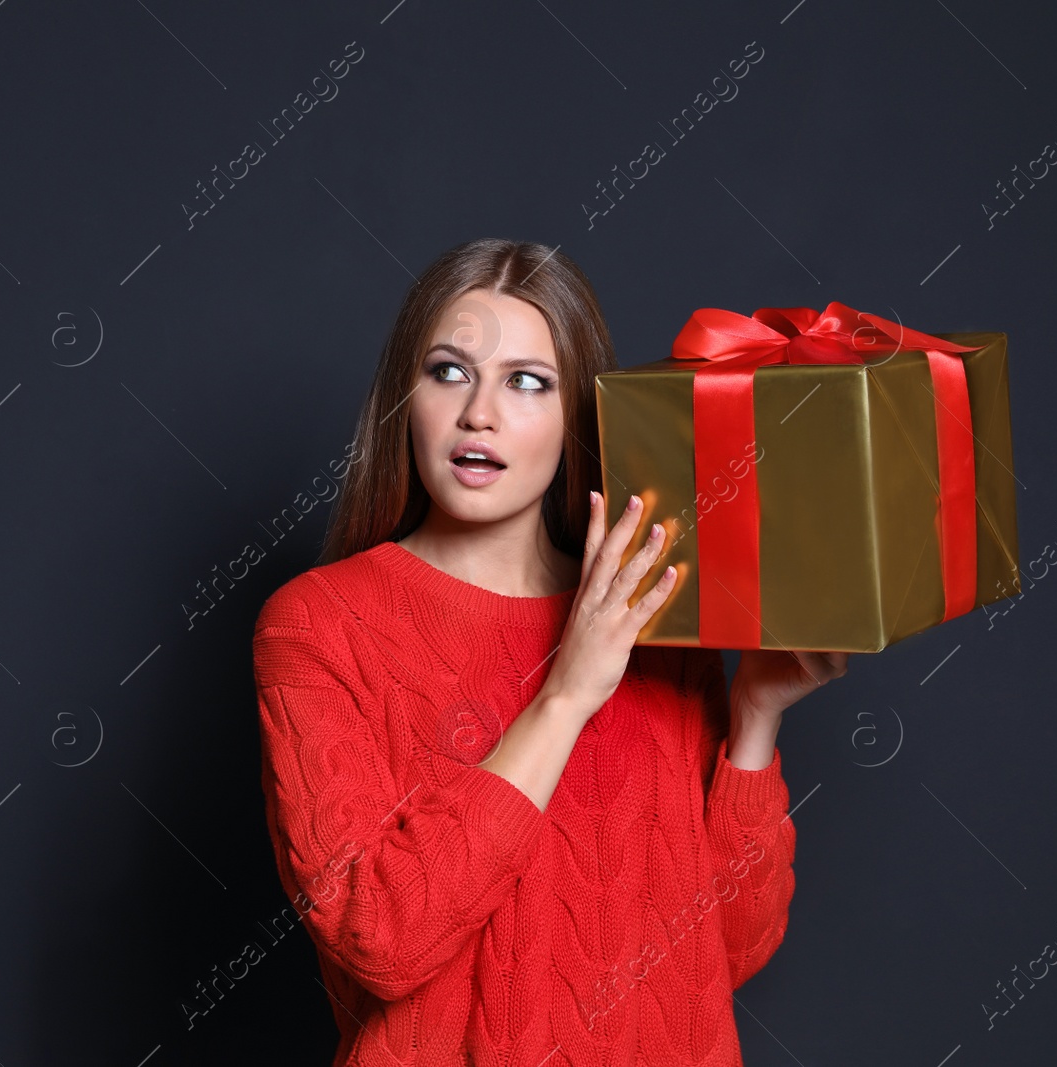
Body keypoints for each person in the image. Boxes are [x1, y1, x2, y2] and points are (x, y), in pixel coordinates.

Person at [251, 238, 850, 1066]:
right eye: (449, 371)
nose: (480, 414)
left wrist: (755, 717)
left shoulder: (648, 607)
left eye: (527, 381)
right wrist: (566, 694)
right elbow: (379, 937)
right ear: (404, 398)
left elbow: (729, 951)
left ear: (577, 418)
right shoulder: (319, 625)